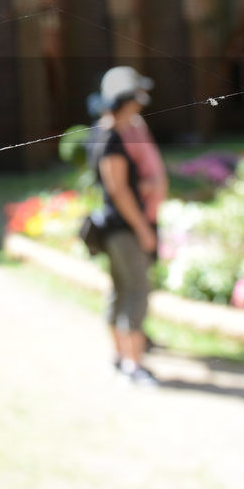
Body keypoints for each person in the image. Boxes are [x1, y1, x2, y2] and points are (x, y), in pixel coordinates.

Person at [89, 66, 161, 386]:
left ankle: (120, 357)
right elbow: (118, 191)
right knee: (135, 291)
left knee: (120, 290)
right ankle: (134, 364)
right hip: (124, 229)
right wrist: (143, 229)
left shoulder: (112, 132)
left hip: (119, 228)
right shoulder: (111, 139)